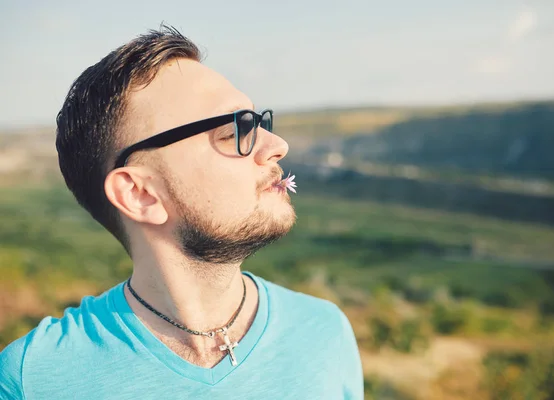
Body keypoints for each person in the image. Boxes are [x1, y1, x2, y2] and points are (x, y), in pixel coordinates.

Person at [0, 25, 363, 399]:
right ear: (140, 194)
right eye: (232, 131)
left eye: (259, 123)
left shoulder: (325, 333)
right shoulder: (34, 379)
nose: (277, 145)